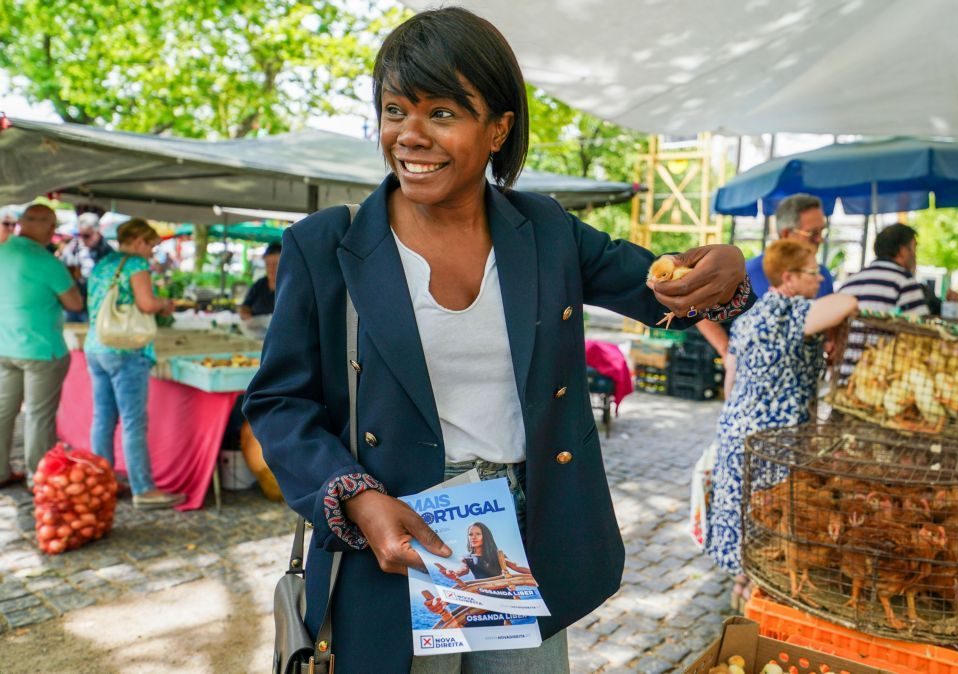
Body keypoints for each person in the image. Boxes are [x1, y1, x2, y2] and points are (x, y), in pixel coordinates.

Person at [242, 8, 754, 672]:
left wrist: (725, 275)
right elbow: (279, 404)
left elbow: (666, 290)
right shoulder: (325, 246)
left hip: (509, 528)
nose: (410, 135)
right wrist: (357, 498)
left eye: (443, 114)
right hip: (401, 532)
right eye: (395, 110)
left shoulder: (544, 233)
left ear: (498, 127)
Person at [705, 240, 856, 603]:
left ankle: (741, 584)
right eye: (812, 272)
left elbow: (731, 378)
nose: (820, 277)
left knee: (743, 512)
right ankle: (758, 592)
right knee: (771, 515)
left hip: (737, 429)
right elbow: (848, 302)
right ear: (788, 277)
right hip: (774, 439)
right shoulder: (790, 311)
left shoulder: (753, 313)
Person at [84, 218, 183, 509]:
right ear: (139, 241)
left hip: (96, 345)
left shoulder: (103, 263)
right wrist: (164, 303)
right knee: (132, 422)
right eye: (151, 245)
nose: (152, 252)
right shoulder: (136, 265)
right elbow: (146, 304)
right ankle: (143, 489)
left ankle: (102, 482)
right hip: (126, 349)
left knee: (103, 418)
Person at [0, 205, 83, 487]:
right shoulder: (47, 262)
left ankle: (1, 471)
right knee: (38, 415)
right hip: (41, 349)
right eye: (52, 227)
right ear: (46, 228)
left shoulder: (2, 251)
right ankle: (40, 477)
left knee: (3, 411)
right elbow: (75, 303)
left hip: (4, 346)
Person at [696, 193, 835, 359]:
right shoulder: (748, 273)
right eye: (812, 233)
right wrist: (727, 352)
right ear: (785, 234)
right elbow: (702, 313)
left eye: (822, 231)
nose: (820, 239)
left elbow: (828, 331)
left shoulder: (822, 276)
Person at [839, 223, 928, 316]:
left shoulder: (849, 282)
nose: (915, 256)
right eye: (914, 248)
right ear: (903, 251)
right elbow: (918, 327)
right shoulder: (905, 282)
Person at [61, 212, 115, 322]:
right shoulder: (72, 248)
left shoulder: (109, 253)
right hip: (75, 302)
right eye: (79, 235)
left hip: (98, 304)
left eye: (86, 236)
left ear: (98, 232)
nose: (82, 239)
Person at [438, 522, 530, 581]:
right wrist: (453, 573)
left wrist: (535, 573)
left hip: (503, 594)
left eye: (478, 534)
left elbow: (516, 567)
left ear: (485, 536)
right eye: (470, 534)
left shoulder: (497, 555)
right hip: (483, 598)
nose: (473, 537)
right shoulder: (466, 558)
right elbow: (463, 570)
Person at [237, 242, 281, 320]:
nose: (271, 269)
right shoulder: (259, 284)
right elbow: (246, 305)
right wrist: (244, 312)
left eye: (275, 264)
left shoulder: (290, 288)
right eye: (268, 264)